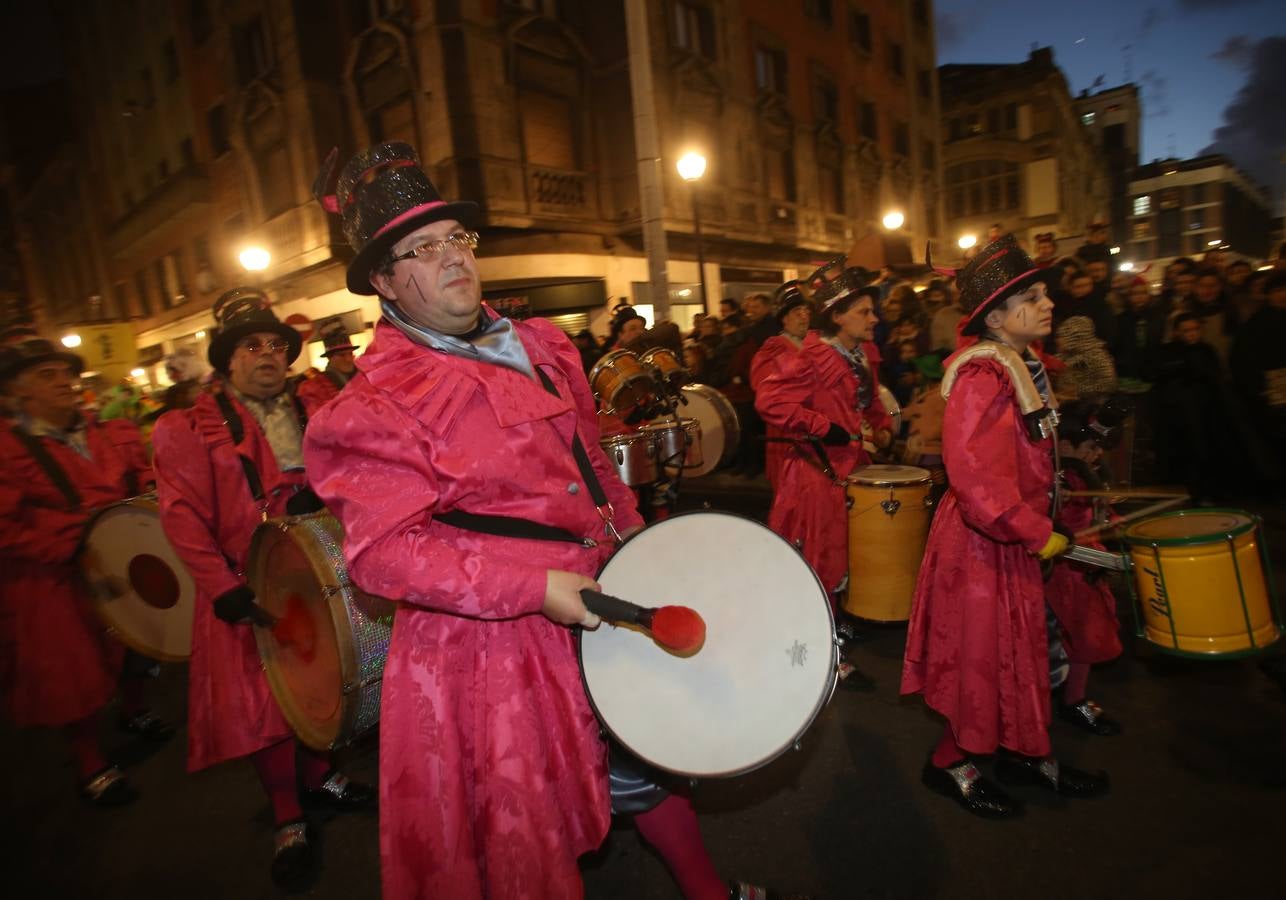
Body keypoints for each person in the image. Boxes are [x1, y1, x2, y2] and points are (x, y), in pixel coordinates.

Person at [303, 141, 800, 900]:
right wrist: (535, 587)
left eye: (455, 240)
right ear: (382, 280)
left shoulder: (542, 344)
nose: (451, 259)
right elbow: (384, 557)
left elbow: (593, 463)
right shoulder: (366, 408)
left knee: (644, 752)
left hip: (601, 591)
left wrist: (634, 541)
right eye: (420, 249)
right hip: (488, 643)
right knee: (522, 826)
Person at [152, 289, 374, 890]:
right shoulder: (187, 427)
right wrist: (223, 589)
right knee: (267, 711)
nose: (268, 355)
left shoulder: (315, 405)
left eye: (276, 345)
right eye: (252, 345)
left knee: (334, 685)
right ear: (226, 360)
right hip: (247, 587)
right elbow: (181, 516)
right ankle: (287, 819)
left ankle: (322, 777)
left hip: (323, 575)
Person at [902, 234, 1109, 819]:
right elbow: (975, 481)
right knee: (981, 660)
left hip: (1011, 537)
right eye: (1033, 297)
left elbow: (1029, 453)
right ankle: (949, 763)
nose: (1049, 304)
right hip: (982, 544)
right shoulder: (981, 379)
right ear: (996, 315)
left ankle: (1024, 751)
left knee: (1023, 653)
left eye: (1045, 293)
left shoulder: (1022, 365)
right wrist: (1033, 531)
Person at [0, 336, 173, 807]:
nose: (64, 383)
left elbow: (138, 473)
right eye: (46, 375)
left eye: (64, 373)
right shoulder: (7, 448)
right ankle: (90, 759)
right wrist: (79, 532)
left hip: (123, 555)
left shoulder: (104, 431)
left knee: (140, 640)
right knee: (71, 670)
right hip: (51, 576)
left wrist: (151, 491)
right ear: (17, 393)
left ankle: (133, 709)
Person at [755, 259, 893, 688]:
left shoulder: (858, 353)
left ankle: (833, 627)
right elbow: (770, 402)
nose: (875, 318)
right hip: (817, 476)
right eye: (864, 312)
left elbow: (866, 400)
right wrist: (823, 427)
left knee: (845, 560)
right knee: (820, 564)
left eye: (873, 310)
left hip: (850, 470)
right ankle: (823, 652)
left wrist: (882, 424)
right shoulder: (812, 356)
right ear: (836, 316)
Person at [1046, 404, 1124, 736]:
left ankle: (1073, 696)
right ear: (1064, 446)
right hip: (1063, 570)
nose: (1095, 455)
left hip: (1086, 563)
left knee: (1085, 636)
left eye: (1098, 449)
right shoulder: (1056, 478)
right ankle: (1066, 700)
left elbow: (1099, 518)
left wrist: (1115, 525)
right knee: (1074, 635)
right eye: (1089, 448)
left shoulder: (1087, 475)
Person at [750, 282, 811, 488]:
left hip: (812, 425)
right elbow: (763, 386)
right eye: (797, 311)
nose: (804, 315)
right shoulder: (773, 347)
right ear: (784, 319)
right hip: (787, 427)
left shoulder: (815, 344)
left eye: (805, 311)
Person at [295, 317, 359, 416]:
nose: (348, 359)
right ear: (329, 357)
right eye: (341, 355)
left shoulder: (366, 379)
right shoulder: (315, 387)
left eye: (350, 354)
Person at [1052, 315, 1117, 402]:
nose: (1057, 340)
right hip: (1067, 405)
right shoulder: (1063, 356)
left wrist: (1078, 390)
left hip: (1090, 408)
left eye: (1062, 336)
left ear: (1075, 338)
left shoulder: (1096, 356)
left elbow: (1108, 384)